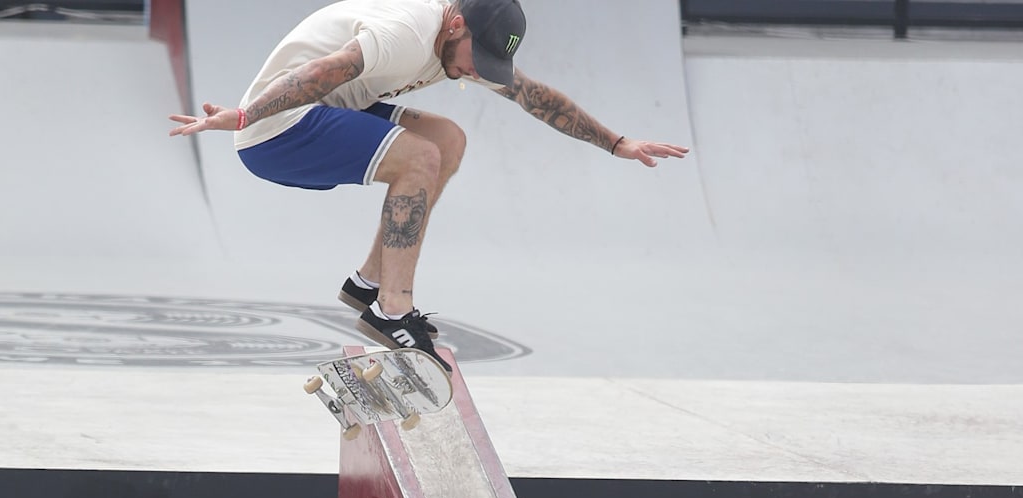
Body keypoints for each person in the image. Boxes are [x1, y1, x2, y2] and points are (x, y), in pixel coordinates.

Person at [169, 0, 689, 372]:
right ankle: (392, 312)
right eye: (470, 59)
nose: (470, 71)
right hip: (276, 130)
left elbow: (535, 97)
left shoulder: (459, 40)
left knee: (448, 138)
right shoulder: (407, 31)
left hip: (326, 109)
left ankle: (369, 284)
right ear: (455, 23)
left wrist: (617, 143)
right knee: (419, 157)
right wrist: (242, 116)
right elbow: (322, 71)